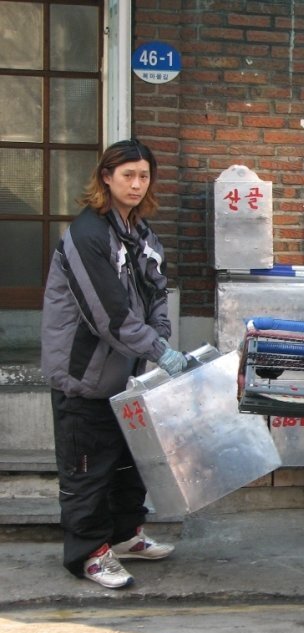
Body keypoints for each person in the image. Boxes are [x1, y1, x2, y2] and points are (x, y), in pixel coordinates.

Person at [41, 139, 187, 589]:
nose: (137, 184)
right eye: (128, 175)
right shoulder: (86, 235)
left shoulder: (140, 233)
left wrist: (160, 337)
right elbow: (108, 315)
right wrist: (157, 350)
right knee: (88, 469)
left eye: (144, 176)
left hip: (128, 374)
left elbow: (157, 290)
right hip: (85, 375)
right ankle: (87, 553)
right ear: (106, 176)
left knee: (131, 462)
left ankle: (124, 536)